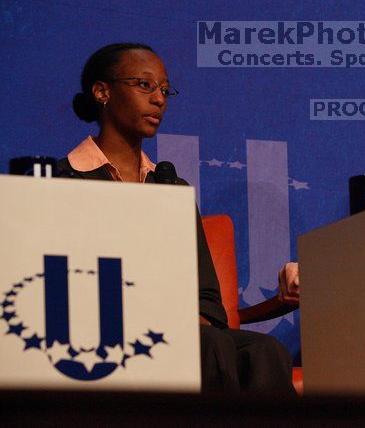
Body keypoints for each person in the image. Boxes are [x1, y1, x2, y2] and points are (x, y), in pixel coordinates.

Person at [59, 42, 299, 394]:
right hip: (99, 329)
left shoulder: (170, 185)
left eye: (165, 90)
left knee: (266, 351)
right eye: (144, 85)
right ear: (102, 92)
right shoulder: (63, 179)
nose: (159, 99)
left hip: (179, 332)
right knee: (210, 346)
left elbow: (206, 293)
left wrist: (193, 325)